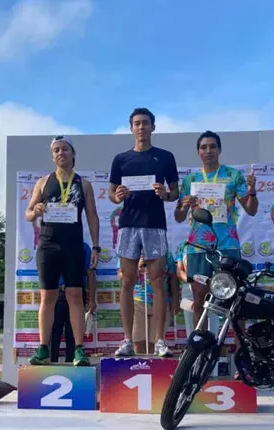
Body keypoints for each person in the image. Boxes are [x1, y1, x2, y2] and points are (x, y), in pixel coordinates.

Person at [108, 107, 179, 358]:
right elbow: (111, 193)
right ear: (131, 128)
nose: (141, 127)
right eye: (137, 123)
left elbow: (175, 193)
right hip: (128, 225)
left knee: (158, 281)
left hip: (154, 224)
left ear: (153, 127)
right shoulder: (121, 159)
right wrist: (117, 196)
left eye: (145, 123)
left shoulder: (165, 157)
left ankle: (160, 340)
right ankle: (127, 339)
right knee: (127, 281)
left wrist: (165, 195)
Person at [26, 136, 100, 366]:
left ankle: (79, 349)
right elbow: (28, 214)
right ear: (52, 156)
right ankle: (43, 349)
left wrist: (96, 246)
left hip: (73, 245)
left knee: (75, 295)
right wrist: (36, 211)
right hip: (48, 244)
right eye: (56, 150)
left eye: (65, 149)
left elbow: (92, 217)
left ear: (73, 154)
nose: (61, 153)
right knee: (47, 297)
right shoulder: (42, 182)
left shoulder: (83, 184)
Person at [175, 130, 259, 331]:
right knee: (199, 298)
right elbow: (178, 217)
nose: (208, 151)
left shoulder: (233, 175)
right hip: (198, 246)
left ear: (219, 150)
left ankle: (241, 355)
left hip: (227, 244)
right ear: (198, 152)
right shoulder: (190, 180)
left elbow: (252, 210)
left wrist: (252, 191)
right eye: (203, 147)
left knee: (234, 300)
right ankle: (199, 351)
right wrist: (184, 205)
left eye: (212, 146)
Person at [117, 250, 180, 355]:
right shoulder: (130, 250)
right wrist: (136, 268)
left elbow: (173, 277)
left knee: (154, 343)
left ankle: (153, 368)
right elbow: (120, 275)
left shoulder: (164, 252)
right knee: (138, 341)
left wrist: (175, 300)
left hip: (160, 303)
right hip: (138, 302)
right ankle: (140, 366)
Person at [50, 242, 97, 363]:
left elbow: (90, 273)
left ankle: (71, 363)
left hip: (77, 292)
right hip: (58, 292)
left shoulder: (83, 247)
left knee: (74, 332)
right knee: (54, 331)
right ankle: (51, 362)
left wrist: (92, 300)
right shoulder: (52, 245)